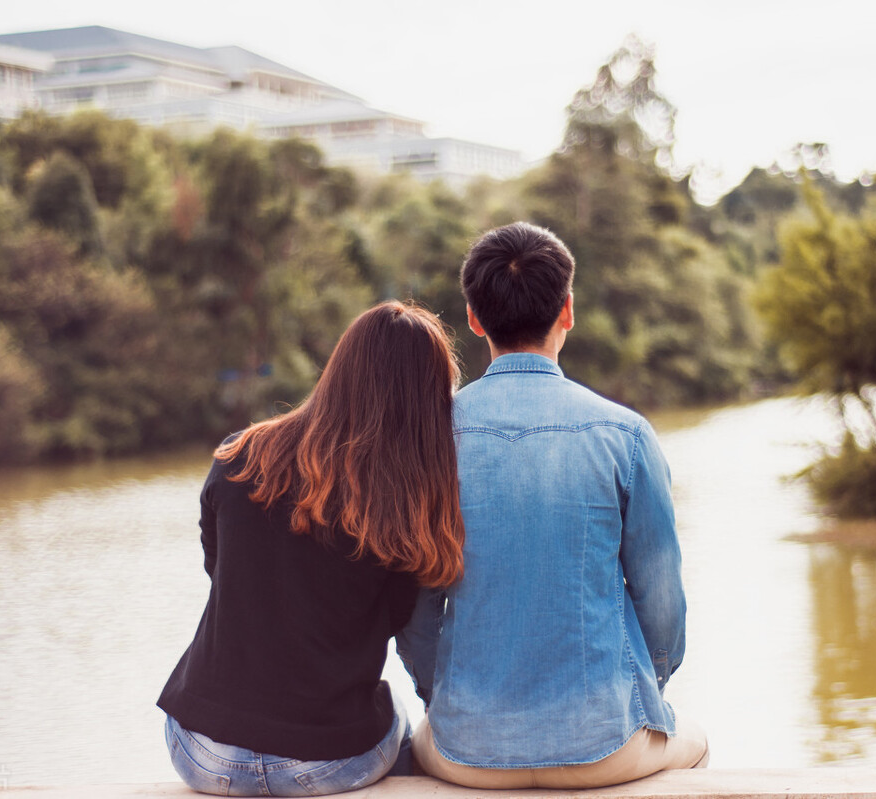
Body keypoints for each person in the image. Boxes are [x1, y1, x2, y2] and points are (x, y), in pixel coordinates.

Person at [397, 222, 709, 789]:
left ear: (473, 318)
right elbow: (662, 604)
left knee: (412, 744)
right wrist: (643, 694)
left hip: (467, 753)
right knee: (697, 742)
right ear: (567, 311)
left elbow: (414, 615)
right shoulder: (626, 435)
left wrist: (447, 696)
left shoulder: (429, 440)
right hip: (602, 748)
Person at [157, 301, 465, 797]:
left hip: (199, 750)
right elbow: (400, 620)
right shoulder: (405, 504)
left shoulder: (239, 454)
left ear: (339, 369)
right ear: (429, 401)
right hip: (324, 764)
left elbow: (220, 570)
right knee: (402, 719)